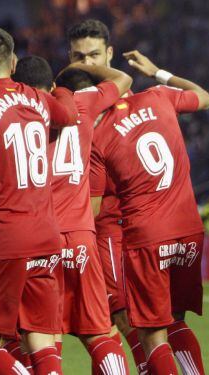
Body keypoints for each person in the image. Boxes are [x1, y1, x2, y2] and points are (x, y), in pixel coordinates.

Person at [0, 27, 78, 375]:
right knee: (39, 335)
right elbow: (68, 115)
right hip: (46, 235)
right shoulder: (38, 99)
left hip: (5, 238)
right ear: (13, 62)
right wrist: (62, 88)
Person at [90, 50, 209, 375]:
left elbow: (94, 208)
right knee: (176, 321)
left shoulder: (99, 135)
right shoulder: (158, 97)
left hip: (146, 237)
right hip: (189, 230)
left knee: (151, 333)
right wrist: (159, 72)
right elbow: (204, 97)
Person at [13, 54, 133, 374]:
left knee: (39, 334)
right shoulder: (82, 105)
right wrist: (82, 67)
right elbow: (123, 80)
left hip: (40, 237)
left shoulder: (16, 117)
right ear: (52, 85)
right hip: (81, 236)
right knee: (98, 330)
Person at [65, 18, 139, 370]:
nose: (87, 64)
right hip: (84, 228)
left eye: (94, 55)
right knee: (99, 325)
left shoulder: (132, 104)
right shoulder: (65, 101)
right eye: (79, 56)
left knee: (121, 317)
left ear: (110, 53)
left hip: (115, 223)